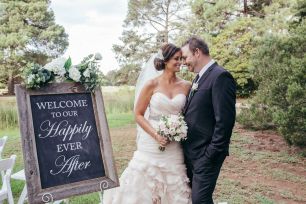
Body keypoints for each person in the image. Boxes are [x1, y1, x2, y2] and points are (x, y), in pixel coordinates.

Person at [103, 43, 192, 204]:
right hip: (151, 143)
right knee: (143, 183)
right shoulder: (152, 84)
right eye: (176, 59)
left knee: (174, 181)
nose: (180, 62)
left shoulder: (186, 86)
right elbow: (138, 114)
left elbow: (189, 114)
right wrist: (156, 135)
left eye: (181, 59)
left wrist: (179, 129)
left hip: (174, 145)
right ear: (165, 61)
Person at [181, 36, 236, 204]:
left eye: (185, 57)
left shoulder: (220, 76)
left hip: (206, 155)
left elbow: (225, 122)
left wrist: (210, 154)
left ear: (197, 52)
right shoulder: (198, 78)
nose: (183, 62)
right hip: (192, 152)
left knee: (200, 200)